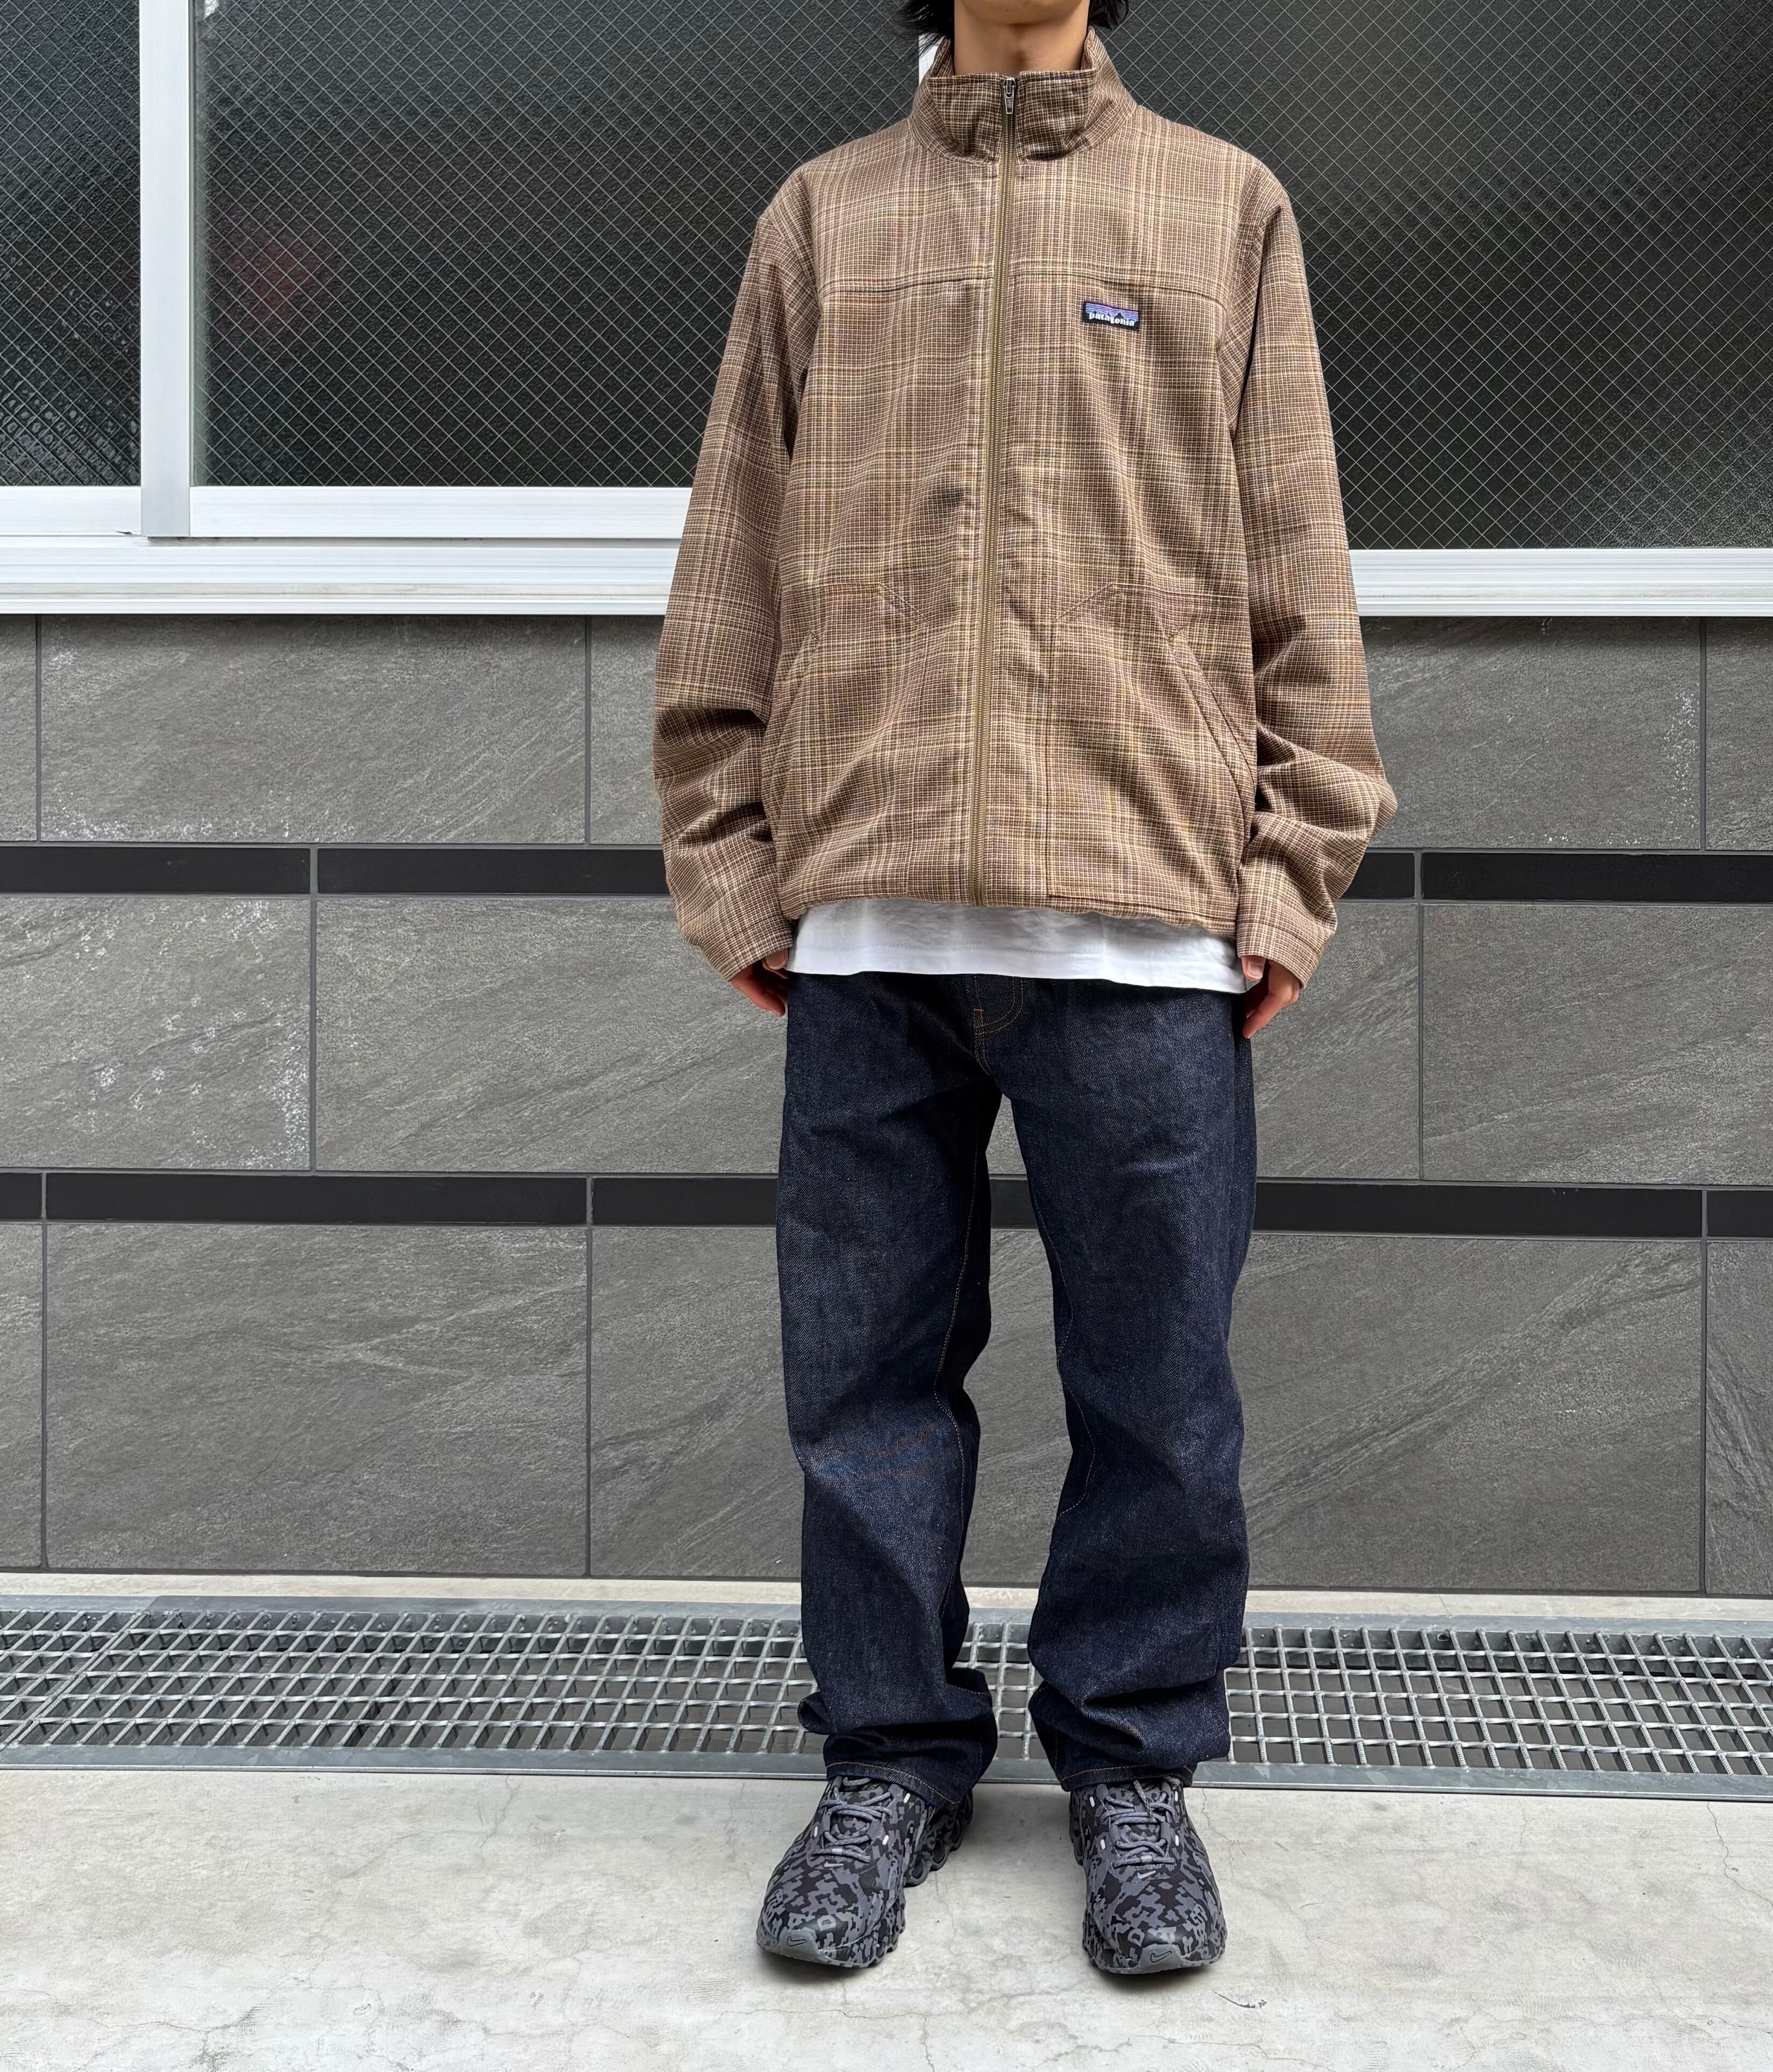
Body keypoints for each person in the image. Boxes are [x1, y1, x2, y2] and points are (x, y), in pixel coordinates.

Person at [653, 0, 1395, 1977]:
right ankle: (886, 1762)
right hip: (868, 929)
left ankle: (1131, 1772)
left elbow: (1297, 561)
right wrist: (730, 862)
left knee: (1157, 1388)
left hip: (1140, 920)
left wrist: (1288, 869)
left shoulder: (1219, 207)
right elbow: (732, 553)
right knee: (863, 1388)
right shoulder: (824, 216)